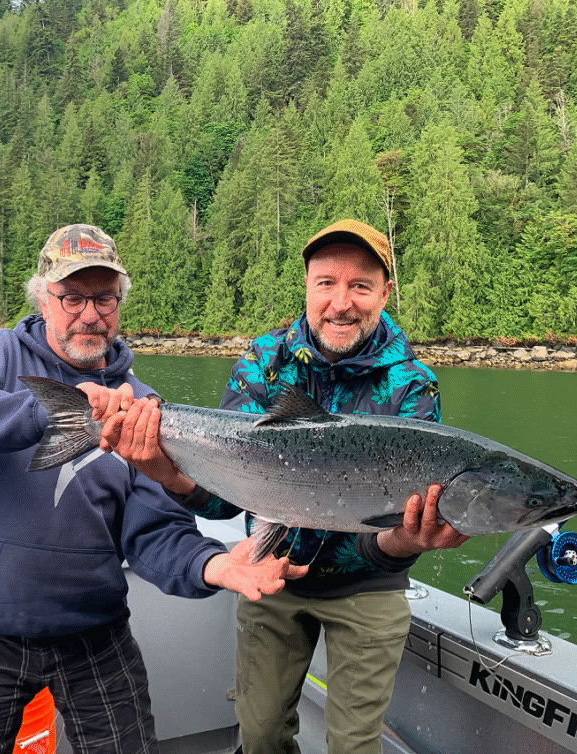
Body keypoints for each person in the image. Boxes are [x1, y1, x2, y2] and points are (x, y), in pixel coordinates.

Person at [0, 223, 305, 754]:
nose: (90, 314)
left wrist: (217, 565)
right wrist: (51, 410)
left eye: (104, 298)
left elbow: (156, 532)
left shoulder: (143, 408)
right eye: (72, 297)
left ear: (119, 303)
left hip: (92, 627)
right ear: (43, 299)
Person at [99, 219, 470, 754]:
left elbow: (386, 536)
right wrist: (164, 470)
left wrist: (408, 541)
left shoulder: (413, 386)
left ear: (385, 293)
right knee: (261, 735)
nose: (341, 303)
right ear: (307, 285)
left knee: (355, 746)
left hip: (368, 584)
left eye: (360, 286)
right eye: (326, 283)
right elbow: (223, 502)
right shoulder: (263, 362)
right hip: (270, 572)